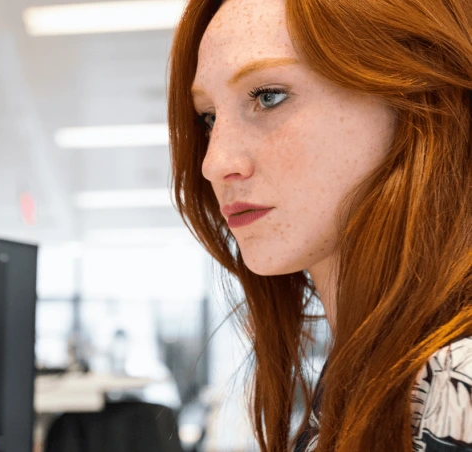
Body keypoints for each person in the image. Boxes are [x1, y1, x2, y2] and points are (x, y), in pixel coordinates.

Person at [168, 0, 472, 450]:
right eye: (209, 118)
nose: (214, 163)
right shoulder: (365, 372)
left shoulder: (454, 380)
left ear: (413, 96)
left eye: (268, 96)